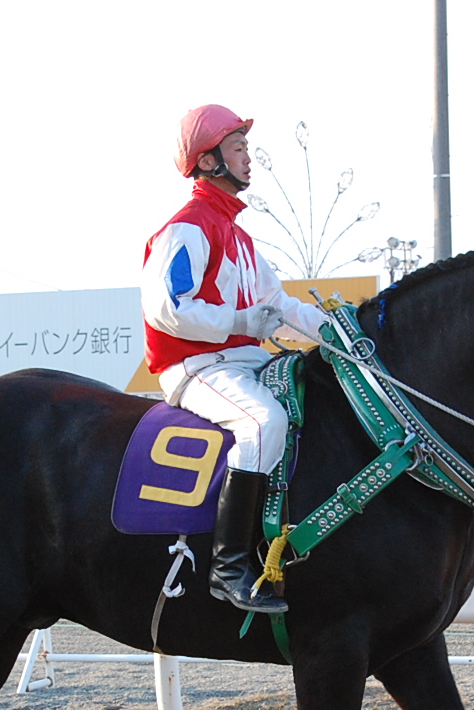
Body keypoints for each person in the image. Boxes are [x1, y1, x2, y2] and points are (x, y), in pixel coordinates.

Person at [140, 104, 330, 615]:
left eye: (247, 147)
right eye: (238, 148)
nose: (249, 158)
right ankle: (228, 566)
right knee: (263, 421)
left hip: (243, 363)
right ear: (207, 161)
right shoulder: (187, 228)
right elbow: (167, 308)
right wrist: (241, 321)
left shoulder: (240, 237)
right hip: (199, 368)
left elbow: (279, 308)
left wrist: (335, 330)